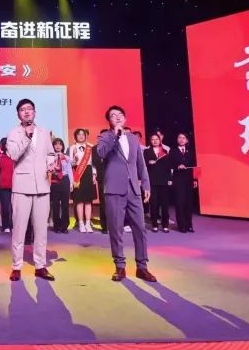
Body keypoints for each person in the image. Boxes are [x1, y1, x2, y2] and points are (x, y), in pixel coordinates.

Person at [95, 105, 157, 282]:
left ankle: (142, 266)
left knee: (140, 228)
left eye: (120, 114)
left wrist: (146, 184)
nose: (117, 117)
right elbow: (101, 153)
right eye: (113, 115)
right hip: (114, 188)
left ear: (125, 118)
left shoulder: (133, 139)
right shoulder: (105, 137)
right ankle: (120, 266)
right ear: (109, 121)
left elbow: (140, 164)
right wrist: (115, 135)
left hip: (133, 189)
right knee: (116, 229)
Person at [5, 99, 54, 281]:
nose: (26, 112)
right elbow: (13, 154)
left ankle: (40, 265)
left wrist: (51, 164)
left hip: (42, 184)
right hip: (22, 186)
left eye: (29, 109)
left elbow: (50, 153)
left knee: (41, 230)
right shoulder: (14, 132)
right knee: (19, 229)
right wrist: (26, 136)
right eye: (23, 110)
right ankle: (16, 266)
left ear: (34, 112)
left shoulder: (44, 132)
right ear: (18, 114)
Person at [145, 132, 175, 232]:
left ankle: (165, 224)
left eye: (156, 139)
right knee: (153, 204)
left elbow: (169, 167)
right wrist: (148, 162)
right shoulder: (146, 151)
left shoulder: (165, 151)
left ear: (160, 140)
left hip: (164, 181)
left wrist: (170, 179)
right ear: (150, 141)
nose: (155, 141)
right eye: (152, 139)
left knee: (165, 204)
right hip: (152, 180)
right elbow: (142, 165)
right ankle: (154, 224)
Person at [69, 128, 95, 233]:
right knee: (79, 200)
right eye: (79, 134)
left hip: (88, 173)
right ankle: (80, 223)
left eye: (83, 134)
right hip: (77, 174)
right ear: (75, 136)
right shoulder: (72, 147)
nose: (81, 136)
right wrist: (74, 160)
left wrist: (94, 174)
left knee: (88, 200)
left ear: (85, 136)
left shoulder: (90, 147)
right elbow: (69, 164)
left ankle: (88, 223)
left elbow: (93, 162)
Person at [171, 132, 198, 233]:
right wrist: (177, 166)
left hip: (189, 179)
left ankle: (189, 225)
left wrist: (195, 179)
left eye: (183, 138)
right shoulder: (173, 151)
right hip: (178, 180)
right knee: (180, 203)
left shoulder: (191, 151)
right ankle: (181, 225)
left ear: (187, 140)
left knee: (188, 203)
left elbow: (195, 166)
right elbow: (169, 164)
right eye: (179, 137)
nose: (181, 139)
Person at [48, 137, 72, 234]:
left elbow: (69, 171)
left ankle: (64, 226)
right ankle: (56, 226)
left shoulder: (66, 157)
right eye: (56, 144)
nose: (58, 146)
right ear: (53, 146)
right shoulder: (50, 157)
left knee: (65, 205)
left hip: (65, 180)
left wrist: (71, 183)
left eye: (60, 144)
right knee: (55, 204)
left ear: (62, 146)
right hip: (54, 180)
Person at [0, 138, 14, 233]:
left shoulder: (16, 157)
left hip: (16, 185)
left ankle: (14, 225)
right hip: (4, 185)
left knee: (16, 208)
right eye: (7, 144)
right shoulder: (0, 157)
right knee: (5, 207)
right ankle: (5, 225)